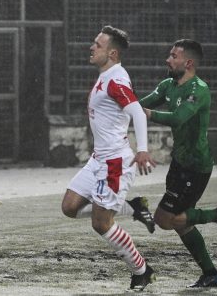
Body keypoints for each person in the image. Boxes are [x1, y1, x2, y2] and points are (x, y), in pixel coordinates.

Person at [61, 25, 157, 290]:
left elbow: (137, 112)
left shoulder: (116, 79)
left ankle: (141, 270)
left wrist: (142, 149)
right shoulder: (106, 75)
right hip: (98, 160)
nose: (92, 47)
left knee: (101, 223)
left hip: (115, 163)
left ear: (112, 53)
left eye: (98, 45)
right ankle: (134, 207)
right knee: (70, 207)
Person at [140, 39, 217, 288]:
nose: (168, 59)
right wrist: (117, 102)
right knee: (182, 223)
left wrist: (148, 115)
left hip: (196, 166)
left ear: (188, 62)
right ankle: (211, 274)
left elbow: (179, 118)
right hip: (179, 163)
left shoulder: (199, 89)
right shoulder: (168, 85)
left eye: (173, 56)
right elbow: (141, 104)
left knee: (164, 219)